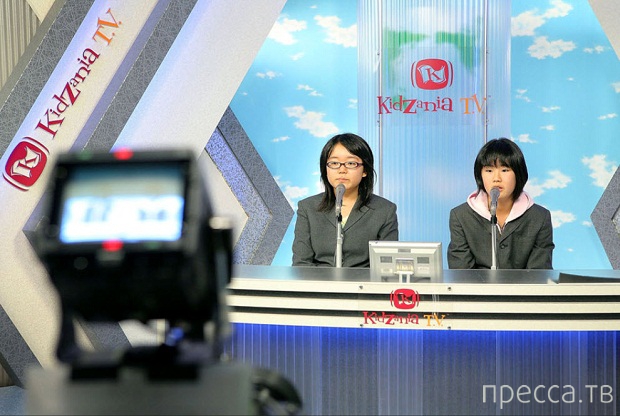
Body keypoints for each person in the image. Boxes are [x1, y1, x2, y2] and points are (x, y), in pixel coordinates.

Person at [292, 133, 398, 267]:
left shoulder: (384, 210)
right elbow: (301, 263)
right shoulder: (308, 207)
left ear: (365, 170)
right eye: (334, 163)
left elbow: (387, 267)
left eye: (351, 163)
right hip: (318, 280)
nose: (342, 170)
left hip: (364, 280)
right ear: (325, 169)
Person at [447, 138, 554, 269]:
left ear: (518, 174)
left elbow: (539, 274)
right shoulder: (461, 216)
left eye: (504, 170)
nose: (496, 178)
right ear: (480, 175)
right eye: (489, 170)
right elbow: (461, 273)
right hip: (475, 284)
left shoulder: (539, 217)